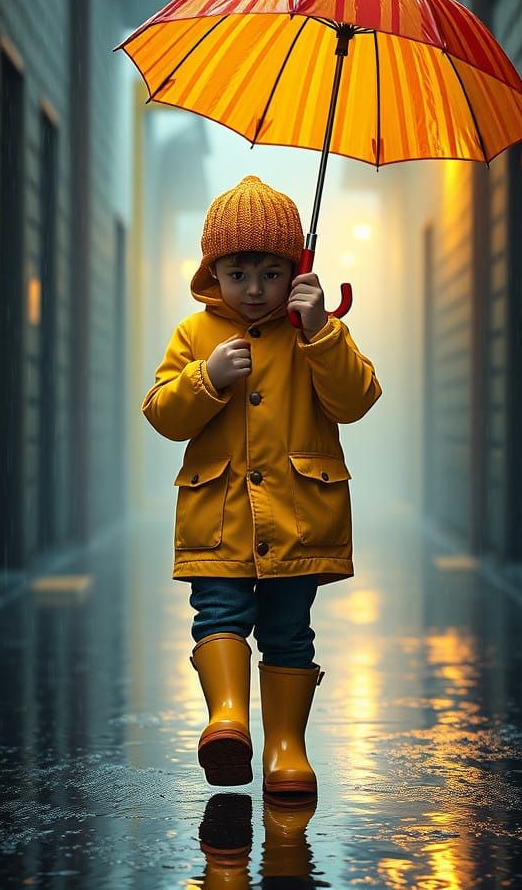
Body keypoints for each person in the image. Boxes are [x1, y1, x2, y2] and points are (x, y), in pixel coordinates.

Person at [141, 174, 382, 803]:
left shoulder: (315, 329)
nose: (254, 289)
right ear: (213, 271)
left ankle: (286, 750)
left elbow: (355, 400)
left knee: (289, 631)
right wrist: (206, 377)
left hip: (296, 515)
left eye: (270, 273)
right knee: (217, 614)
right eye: (238, 272)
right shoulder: (195, 335)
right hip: (218, 516)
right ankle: (228, 722)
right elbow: (162, 413)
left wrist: (321, 333)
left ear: (295, 270)